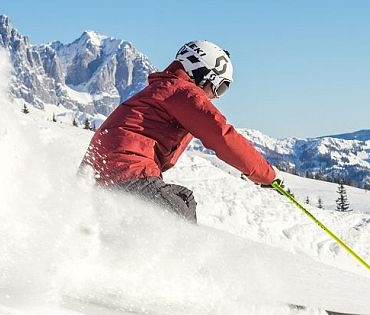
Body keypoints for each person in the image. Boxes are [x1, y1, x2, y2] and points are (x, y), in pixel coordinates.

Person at [80, 40, 278, 223]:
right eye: (219, 87)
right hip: (128, 171)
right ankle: (180, 260)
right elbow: (222, 136)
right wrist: (267, 175)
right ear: (202, 74)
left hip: (99, 176)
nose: (215, 97)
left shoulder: (161, 90)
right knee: (181, 204)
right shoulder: (183, 92)